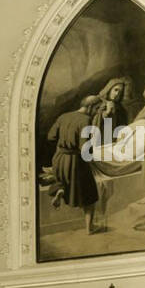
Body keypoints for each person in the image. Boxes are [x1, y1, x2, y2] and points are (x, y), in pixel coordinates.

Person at [44, 93, 101, 232]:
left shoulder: (63, 116)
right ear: (90, 107)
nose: (97, 112)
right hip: (75, 162)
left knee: (64, 180)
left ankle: (61, 190)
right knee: (90, 195)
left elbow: (51, 137)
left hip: (59, 158)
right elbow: (84, 148)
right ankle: (90, 228)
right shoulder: (86, 120)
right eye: (97, 109)